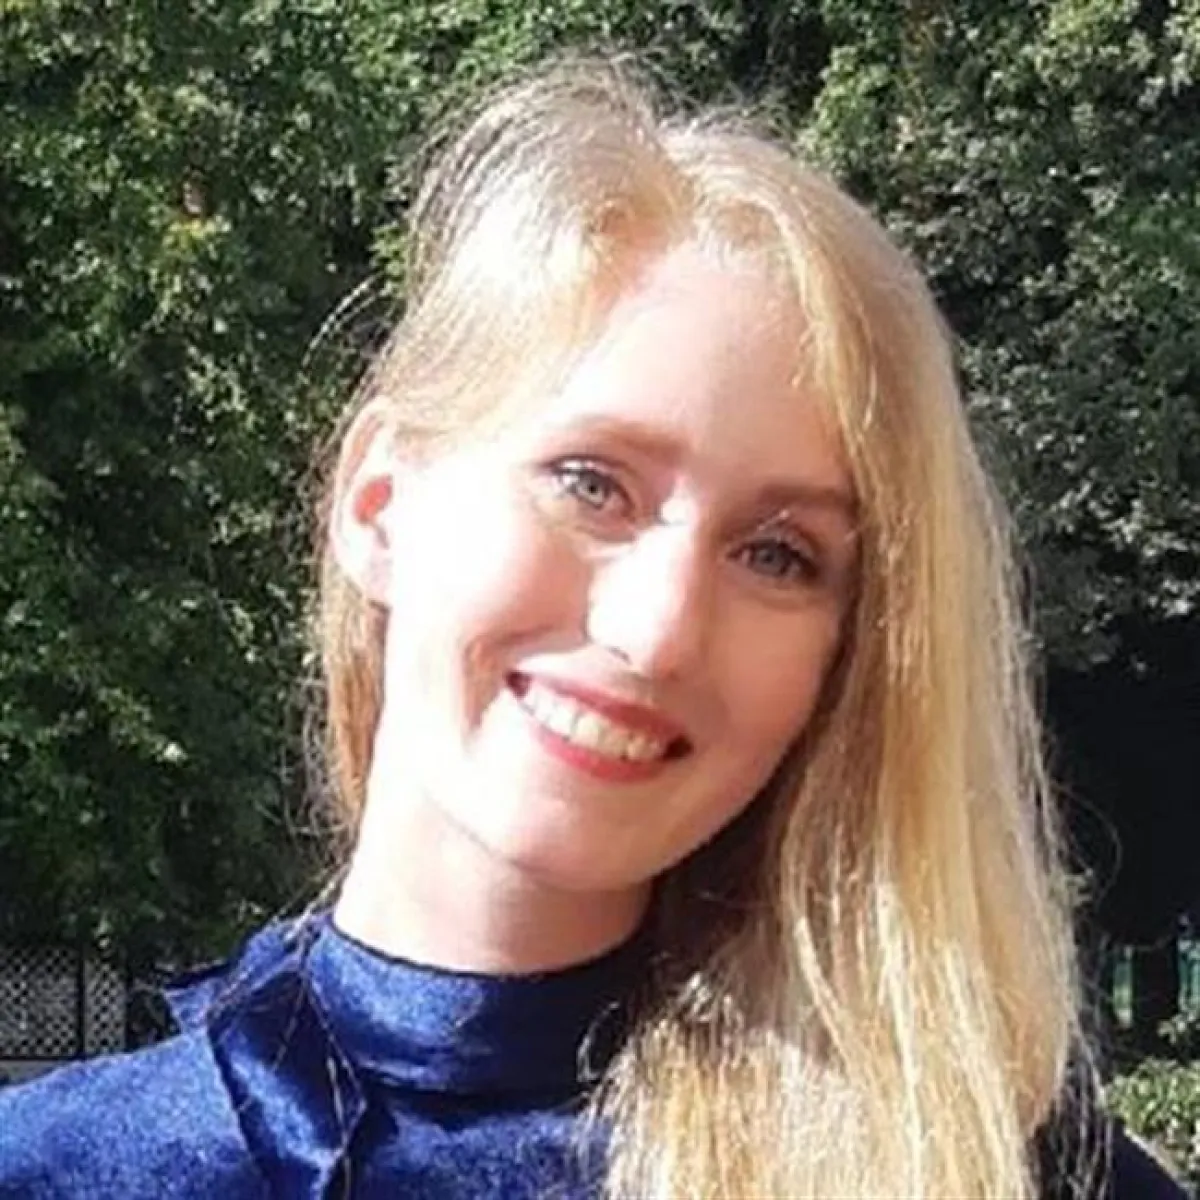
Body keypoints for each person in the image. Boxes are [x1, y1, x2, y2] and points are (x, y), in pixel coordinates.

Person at [0, 57, 1187, 1200]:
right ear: (380, 503)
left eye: (777, 554)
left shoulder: (987, 1169)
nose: (659, 628)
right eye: (591, 482)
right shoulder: (64, 1169)